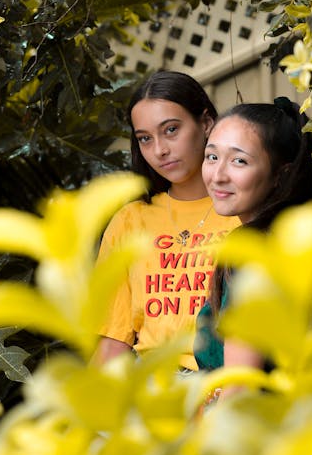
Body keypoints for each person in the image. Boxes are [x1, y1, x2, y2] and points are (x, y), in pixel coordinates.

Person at [93, 70, 240, 370]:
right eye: (145, 139)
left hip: (228, 385)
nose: (159, 150)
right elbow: (112, 342)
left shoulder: (244, 212)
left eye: (171, 130)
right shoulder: (129, 221)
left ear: (207, 122)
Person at [194, 98, 312, 374]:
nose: (217, 175)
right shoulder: (298, 242)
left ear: (280, 175)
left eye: (239, 161)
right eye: (212, 156)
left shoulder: (255, 252)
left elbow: (240, 383)